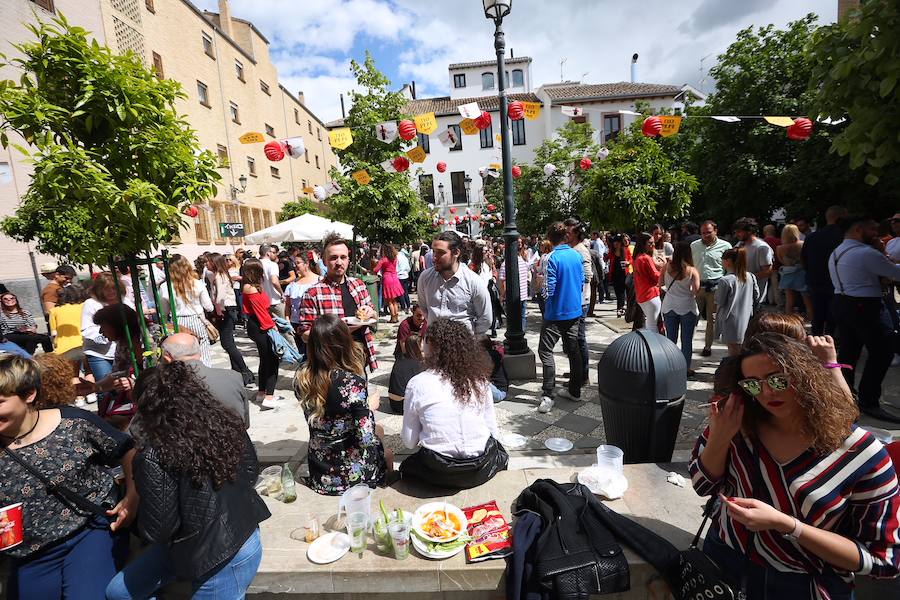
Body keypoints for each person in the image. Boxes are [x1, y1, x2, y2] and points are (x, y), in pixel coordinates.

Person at [689, 333, 900, 600]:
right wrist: (719, 439)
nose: (766, 392)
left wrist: (789, 526)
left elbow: (883, 560)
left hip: (805, 585)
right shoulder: (738, 424)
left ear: (805, 375)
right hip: (725, 565)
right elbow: (702, 485)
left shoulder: (862, 452)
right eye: (753, 385)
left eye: (778, 379)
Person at [106, 361, 269, 600]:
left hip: (222, 554)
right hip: (231, 535)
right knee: (118, 592)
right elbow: (251, 471)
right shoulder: (224, 421)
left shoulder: (152, 456)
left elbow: (159, 530)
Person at [0, 354, 137, 599]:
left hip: (89, 531)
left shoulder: (73, 423)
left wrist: (132, 496)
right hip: (28, 554)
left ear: (29, 394)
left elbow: (127, 449)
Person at [400, 318, 507, 488]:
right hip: (480, 467)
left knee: (406, 468)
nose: (421, 346)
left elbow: (409, 442)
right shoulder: (479, 380)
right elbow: (493, 431)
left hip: (439, 470)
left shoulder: (417, 383)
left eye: (425, 341)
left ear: (431, 347)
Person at [294, 314, 389, 495]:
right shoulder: (352, 383)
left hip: (320, 470)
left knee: (379, 432)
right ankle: (383, 482)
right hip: (351, 475)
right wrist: (368, 407)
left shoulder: (301, 378)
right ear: (344, 343)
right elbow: (365, 438)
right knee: (383, 439)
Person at [828, 216, 900, 423]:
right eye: (872, 229)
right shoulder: (866, 253)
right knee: (883, 351)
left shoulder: (837, 251)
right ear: (859, 230)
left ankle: (846, 395)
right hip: (865, 305)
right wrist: (882, 253)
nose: (876, 234)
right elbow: (895, 273)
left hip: (843, 302)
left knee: (850, 351)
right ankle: (868, 400)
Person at [299, 233, 379, 372]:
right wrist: (336, 332)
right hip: (331, 362)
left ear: (348, 259)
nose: (339, 262)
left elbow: (374, 317)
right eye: (333, 258)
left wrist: (371, 313)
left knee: (361, 394)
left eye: (343, 257)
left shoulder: (358, 285)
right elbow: (305, 334)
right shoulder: (313, 293)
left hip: (359, 357)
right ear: (324, 261)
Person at [150, 332, 252, 427]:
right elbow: (245, 423)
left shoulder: (163, 387)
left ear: (168, 357)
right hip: (236, 441)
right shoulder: (233, 377)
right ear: (199, 352)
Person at [537, 222, 585, 413]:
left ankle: (548, 394)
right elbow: (582, 280)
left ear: (550, 237)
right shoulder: (576, 254)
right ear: (565, 236)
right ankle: (575, 390)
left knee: (545, 351)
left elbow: (549, 289)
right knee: (573, 351)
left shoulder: (551, 258)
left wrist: (542, 298)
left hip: (555, 313)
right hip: (574, 310)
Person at [418, 231, 493, 335]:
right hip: (433, 345)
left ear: (456, 253)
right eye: (434, 251)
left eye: (441, 252)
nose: (434, 257)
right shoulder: (425, 278)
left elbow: (486, 319)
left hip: (463, 347)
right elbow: (424, 308)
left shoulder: (473, 281)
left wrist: (468, 336)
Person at [240, 258, 282, 409]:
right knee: (272, 360)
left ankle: (262, 393)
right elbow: (261, 313)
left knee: (264, 359)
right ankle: (269, 397)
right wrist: (272, 327)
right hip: (260, 326)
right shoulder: (252, 289)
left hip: (256, 325)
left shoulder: (249, 286)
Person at [158, 255, 214, 367]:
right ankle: (206, 373)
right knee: (203, 350)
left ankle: (186, 377)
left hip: (178, 321)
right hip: (197, 319)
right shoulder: (197, 283)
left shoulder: (165, 287)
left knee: (181, 353)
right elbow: (209, 307)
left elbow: (164, 311)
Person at [208, 253, 253, 385]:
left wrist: (217, 309)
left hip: (225, 309)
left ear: (214, 263)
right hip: (226, 309)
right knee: (229, 343)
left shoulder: (219, 275)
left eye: (208, 262)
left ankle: (244, 370)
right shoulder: (220, 274)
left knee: (227, 343)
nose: (206, 265)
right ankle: (237, 371)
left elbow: (220, 296)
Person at [801, 206, 847, 335]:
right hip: (838, 282)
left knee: (818, 315)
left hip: (816, 281)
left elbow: (804, 260)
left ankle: (816, 339)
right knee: (834, 316)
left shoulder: (811, 237)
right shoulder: (843, 236)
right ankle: (831, 340)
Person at [691, 220, 733, 357]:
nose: (705, 235)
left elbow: (729, 267)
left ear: (715, 231)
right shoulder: (694, 246)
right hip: (698, 286)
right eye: (703, 233)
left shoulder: (725, 246)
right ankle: (688, 343)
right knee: (692, 316)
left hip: (715, 287)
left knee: (711, 319)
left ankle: (707, 346)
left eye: (708, 232)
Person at [661, 242, 700, 375]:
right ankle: (685, 368)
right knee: (687, 340)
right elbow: (696, 291)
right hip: (687, 307)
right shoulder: (692, 270)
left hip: (669, 306)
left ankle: (670, 366)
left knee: (670, 338)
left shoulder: (666, 267)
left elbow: (659, 284)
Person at [81, 272, 127, 382]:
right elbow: (86, 329)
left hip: (123, 352)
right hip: (100, 354)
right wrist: (106, 335)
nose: (111, 292)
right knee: (105, 386)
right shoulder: (91, 303)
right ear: (99, 290)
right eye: (107, 289)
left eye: (113, 288)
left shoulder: (125, 301)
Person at [715, 248, 759, 356]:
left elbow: (720, 301)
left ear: (728, 261)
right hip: (747, 317)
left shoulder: (725, 280)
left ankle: (736, 371)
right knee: (742, 347)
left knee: (733, 350)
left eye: (723, 259)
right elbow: (757, 295)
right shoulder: (750, 276)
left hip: (730, 319)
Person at [564, 219, 592, 382]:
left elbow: (588, 276)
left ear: (576, 233)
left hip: (580, 301)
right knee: (571, 340)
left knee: (579, 339)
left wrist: (572, 286)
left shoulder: (581, 250)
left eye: (569, 231)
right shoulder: (571, 249)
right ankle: (577, 370)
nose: (566, 234)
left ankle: (584, 375)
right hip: (573, 301)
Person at [284, 253, 320, 355]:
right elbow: (288, 305)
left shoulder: (319, 280)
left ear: (306, 264)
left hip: (314, 323)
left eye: (298, 263)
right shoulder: (293, 284)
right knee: (303, 354)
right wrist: (287, 321)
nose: (295, 266)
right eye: (294, 263)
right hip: (296, 323)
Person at [49, 282, 87, 377]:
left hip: (65, 349)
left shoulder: (54, 311)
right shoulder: (84, 306)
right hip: (84, 344)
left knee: (73, 376)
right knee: (89, 372)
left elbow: (54, 333)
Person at [777, 224, 814, 319]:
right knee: (807, 301)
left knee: (789, 302)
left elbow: (781, 261)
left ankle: (789, 322)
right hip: (802, 273)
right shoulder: (803, 244)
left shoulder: (780, 248)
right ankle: (812, 321)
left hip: (788, 274)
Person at [734, 217, 773, 304]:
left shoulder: (761, 247)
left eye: (739, 231)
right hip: (741, 293)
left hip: (756, 296)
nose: (736, 234)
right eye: (736, 232)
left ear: (750, 231)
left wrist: (746, 278)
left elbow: (767, 271)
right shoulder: (739, 245)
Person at [632, 232, 665, 332]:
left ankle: (650, 345)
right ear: (643, 244)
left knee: (650, 323)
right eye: (650, 243)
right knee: (652, 325)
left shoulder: (637, 257)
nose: (653, 245)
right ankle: (653, 346)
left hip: (642, 295)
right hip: (651, 295)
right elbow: (656, 277)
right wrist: (664, 267)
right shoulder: (646, 258)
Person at [389, 333, 425, 414]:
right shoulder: (419, 364)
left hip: (393, 402)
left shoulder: (400, 359)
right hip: (404, 405)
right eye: (422, 350)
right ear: (416, 349)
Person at [498, 238, 530, 332]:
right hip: (523, 295)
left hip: (512, 297)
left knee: (512, 318)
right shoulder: (522, 262)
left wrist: (501, 296)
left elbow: (503, 282)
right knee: (522, 317)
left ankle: (515, 334)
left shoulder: (506, 264)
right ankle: (521, 333)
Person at [373, 243, 404, 323]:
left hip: (387, 279)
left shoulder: (383, 260)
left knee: (389, 300)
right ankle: (396, 316)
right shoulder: (395, 258)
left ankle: (392, 318)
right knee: (394, 300)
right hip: (395, 278)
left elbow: (375, 270)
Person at [477, 334, 509, 403]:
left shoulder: (491, 357)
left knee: (477, 379)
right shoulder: (488, 355)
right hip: (496, 389)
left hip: (499, 393)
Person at [259, 244, 285, 318]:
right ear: (268, 253)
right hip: (274, 300)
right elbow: (274, 281)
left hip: (262, 300)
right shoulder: (272, 265)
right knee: (283, 324)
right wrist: (282, 293)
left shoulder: (256, 264)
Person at [607, 234, 631, 316]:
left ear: (620, 243)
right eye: (614, 242)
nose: (615, 244)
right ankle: (620, 308)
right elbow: (607, 258)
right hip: (614, 274)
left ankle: (621, 309)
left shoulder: (625, 250)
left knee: (622, 292)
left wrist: (628, 263)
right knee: (618, 292)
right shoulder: (612, 251)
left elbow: (631, 259)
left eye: (617, 242)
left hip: (624, 274)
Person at [762, 224, 783, 306]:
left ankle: (769, 300)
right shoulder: (779, 241)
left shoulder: (761, 242)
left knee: (766, 285)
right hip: (775, 266)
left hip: (764, 267)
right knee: (775, 285)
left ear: (765, 232)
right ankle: (778, 301)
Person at [396, 244, 412, 312]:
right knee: (405, 292)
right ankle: (408, 306)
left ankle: (403, 307)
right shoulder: (404, 257)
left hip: (399, 276)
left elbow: (396, 268)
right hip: (405, 275)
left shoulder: (396, 257)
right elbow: (408, 267)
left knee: (400, 293)